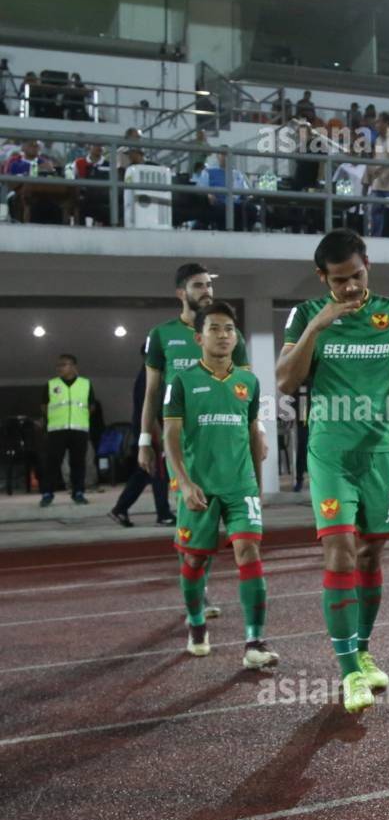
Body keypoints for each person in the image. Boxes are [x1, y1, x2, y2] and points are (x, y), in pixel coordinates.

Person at [276, 229, 389, 714]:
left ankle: (364, 650)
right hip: (331, 452)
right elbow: (285, 380)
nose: (350, 287)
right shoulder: (306, 315)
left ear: (368, 265)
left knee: (370, 557)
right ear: (322, 277)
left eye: (356, 275)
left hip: (380, 453)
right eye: (339, 280)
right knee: (340, 553)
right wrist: (317, 327)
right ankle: (349, 669)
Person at [162, 302, 278, 670]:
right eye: (214, 328)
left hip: (240, 485)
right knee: (195, 558)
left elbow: (253, 433)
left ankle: (254, 643)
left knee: (249, 551)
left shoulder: (249, 382)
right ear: (199, 338)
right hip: (199, 486)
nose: (223, 335)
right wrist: (184, 483)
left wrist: (257, 485)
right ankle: (197, 624)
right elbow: (171, 436)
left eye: (229, 329)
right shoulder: (181, 382)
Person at [141, 263, 250, 619]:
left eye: (209, 285)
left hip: (221, 440)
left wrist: (255, 433)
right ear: (181, 293)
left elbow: (245, 388)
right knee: (193, 511)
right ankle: (196, 589)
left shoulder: (232, 336)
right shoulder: (162, 335)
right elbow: (151, 391)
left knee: (217, 516)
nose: (207, 291)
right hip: (182, 442)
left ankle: (198, 586)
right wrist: (144, 438)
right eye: (198, 285)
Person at [109, 350, 175, 528]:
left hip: (149, 430)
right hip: (151, 431)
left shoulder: (151, 374)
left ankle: (120, 509)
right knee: (159, 471)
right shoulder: (148, 376)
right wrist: (159, 436)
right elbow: (149, 409)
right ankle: (163, 514)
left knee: (145, 471)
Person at [40, 354, 99, 506]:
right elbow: (44, 406)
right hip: (57, 430)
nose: (59, 368)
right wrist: (54, 418)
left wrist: (80, 417)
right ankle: (47, 493)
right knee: (52, 463)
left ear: (73, 366)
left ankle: (78, 492)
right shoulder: (51, 384)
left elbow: (91, 406)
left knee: (78, 462)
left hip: (79, 429)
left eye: (63, 365)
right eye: (58, 365)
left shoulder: (85, 384)